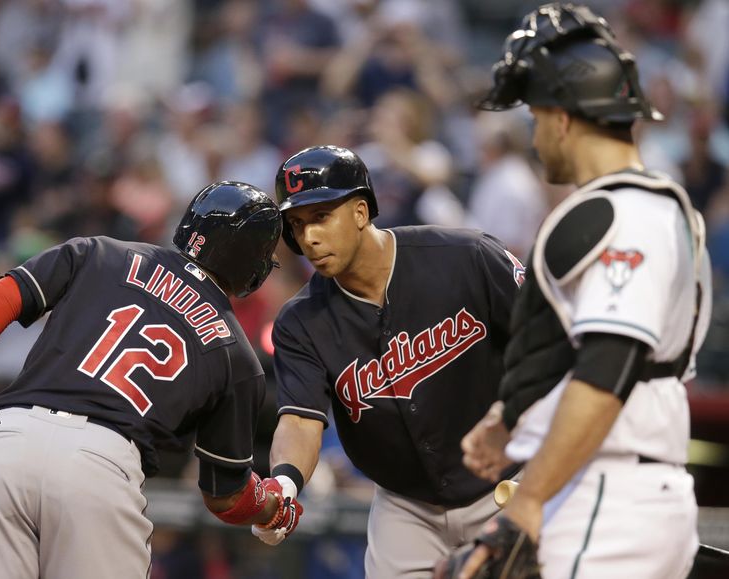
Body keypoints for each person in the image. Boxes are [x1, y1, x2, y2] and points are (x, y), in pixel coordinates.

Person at [0, 181, 303, 579]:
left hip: (3, 440)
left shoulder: (102, 252)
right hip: (100, 464)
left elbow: (2, 298)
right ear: (255, 267)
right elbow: (224, 496)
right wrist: (270, 505)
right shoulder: (238, 355)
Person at [447, 4, 713, 579]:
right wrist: (508, 417)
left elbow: (608, 365)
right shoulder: (636, 207)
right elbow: (573, 351)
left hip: (607, 490)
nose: (535, 138)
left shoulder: (630, 212)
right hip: (607, 484)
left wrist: (529, 501)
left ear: (563, 117)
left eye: (536, 119)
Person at [258, 144, 525, 576]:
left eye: (321, 217)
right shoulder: (300, 321)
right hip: (406, 507)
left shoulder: (466, 257)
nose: (309, 237)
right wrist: (285, 484)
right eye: (297, 224)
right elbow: (300, 419)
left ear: (361, 211)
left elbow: (548, 342)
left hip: (508, 482)